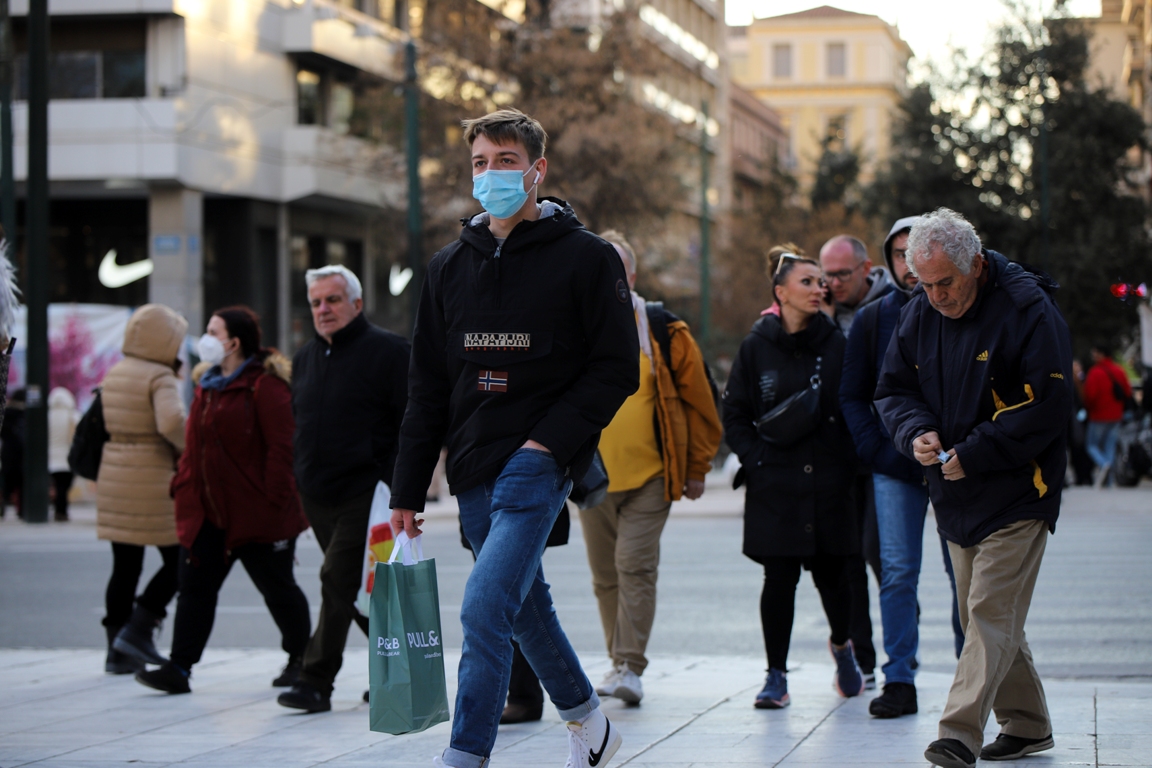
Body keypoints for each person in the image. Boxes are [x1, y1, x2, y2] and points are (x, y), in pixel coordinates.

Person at [389, 108, 638, 768]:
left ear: (536, 170)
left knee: (484, 607)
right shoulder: (447, 268)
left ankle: (464, 754)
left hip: (537, 463)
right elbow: (427, 387)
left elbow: (617, 368)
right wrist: (407, 488)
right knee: (526, 608)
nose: (491, 174)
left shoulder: (588, 258)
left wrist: (548, 446)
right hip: (472, 465)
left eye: (504, 160)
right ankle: (591, 726)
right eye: (479, 162)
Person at [876, 208, 1072, 768]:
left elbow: (1050, 403)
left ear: (977, 265)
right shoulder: (919, 312)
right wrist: (916, 433)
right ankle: (1029, 726)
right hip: (955, 491)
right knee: (986, 613)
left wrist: (978, 451)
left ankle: (958, 733)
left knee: (985, 611)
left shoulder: (1028, 308)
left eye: (946, 283)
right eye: (924, 284)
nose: (935, 295)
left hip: (1019, 490)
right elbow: (892, 389)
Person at [136, 306, 311, 694]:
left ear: (233, 341)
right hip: (208, 513)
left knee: (277, 588)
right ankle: (179, 668)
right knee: (195, 588)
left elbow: (283, 450)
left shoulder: (264, 386)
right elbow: (194, 445)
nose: (206, 338)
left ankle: (302, 660)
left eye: (214, 331)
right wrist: (182, 486)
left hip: (258, 514)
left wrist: (272, 502)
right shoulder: (208, 384)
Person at [580, 229, 722, 707]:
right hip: (591, 478)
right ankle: (617, 662)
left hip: (651, 476)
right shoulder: (574, 327)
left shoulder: (664, 330)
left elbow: (701, 404)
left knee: (633, 566)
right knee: (604, 576)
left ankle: (631, 667)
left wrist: (697, 466)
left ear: (633, 275)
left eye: (617, 267)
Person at [722, 252, 863, 710]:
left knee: (834, 579)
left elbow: (855, 408)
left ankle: (842, 645)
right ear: (781, 293)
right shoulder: (755, 346)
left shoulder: (839, 344)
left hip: (829, 485)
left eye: (822, 281)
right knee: (778, 580)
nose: (819, 287)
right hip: (775, 486)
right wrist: (757, 459)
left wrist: (845, 465)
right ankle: (775, 675)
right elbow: (736, 414)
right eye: (808, 280)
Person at [839, 216, 964, 720]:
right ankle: (900, 679)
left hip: (959, 464)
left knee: (965, 574)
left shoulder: (963, 310)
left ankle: (971, 675)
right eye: (899, 254)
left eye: (918, 251)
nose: (910, 264)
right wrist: (882, 452)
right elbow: (853, 396)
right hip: (895, 467)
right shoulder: (873, 320)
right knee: (896, 573)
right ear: (890, 262)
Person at [277, 265, 410, 713]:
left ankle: (315, 681)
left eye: (332, 300)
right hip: (316, 492)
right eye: (316, 302)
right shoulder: (305, 359)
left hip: (367, 493)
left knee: (336, 580)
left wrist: (398, 486)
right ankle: (401, 668)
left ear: (356, 303)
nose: (323, 310)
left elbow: (412, 424)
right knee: (353, 589)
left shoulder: (390, 352)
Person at [96, 305, 187, 675]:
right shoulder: (159, 375)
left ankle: (116, 649)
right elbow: (171, 423)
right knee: (181, 559)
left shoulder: (117, 372)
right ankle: (141, 626)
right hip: (151, 476)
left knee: (125, 565)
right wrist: (189, 448)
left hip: (115, 472)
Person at [820, 233, 892, 688]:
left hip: (883, 449)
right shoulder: (821, 312)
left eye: (841, 274)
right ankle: (862, 660)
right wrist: (823, 321)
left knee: (881, 555)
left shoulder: (896, 306)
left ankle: (901, 653)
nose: (832, 283)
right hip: (837, 456)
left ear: (867, 270)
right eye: (826, 274)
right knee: (846, 561)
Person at [1082, 342, 1131, 488]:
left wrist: (1089, 409)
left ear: (1101, 354)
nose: (1093, 356)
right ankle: (1109, 482)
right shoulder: (1119, 370)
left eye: (1095, 352)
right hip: (1116, 415)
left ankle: (1104, 464)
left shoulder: (1095, 372)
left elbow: (1090, 396)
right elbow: (1127, 392)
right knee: (1110, 447)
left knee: (1091, 445)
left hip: (1098, 415)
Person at [48, 386, 80, 522]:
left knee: (57, 486)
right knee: (64, 487)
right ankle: (62, 511)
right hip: (68, 458)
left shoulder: (46, 416)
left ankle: (59, 510)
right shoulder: (74, 416)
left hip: (51, 458)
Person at [1, 388, 25, 519]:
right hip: (23, 454)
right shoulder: (27, 413)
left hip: (8, 452)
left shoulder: (6, 412)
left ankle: (3, 503)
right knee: (21, 483)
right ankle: (21, 510)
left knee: (7, 482)